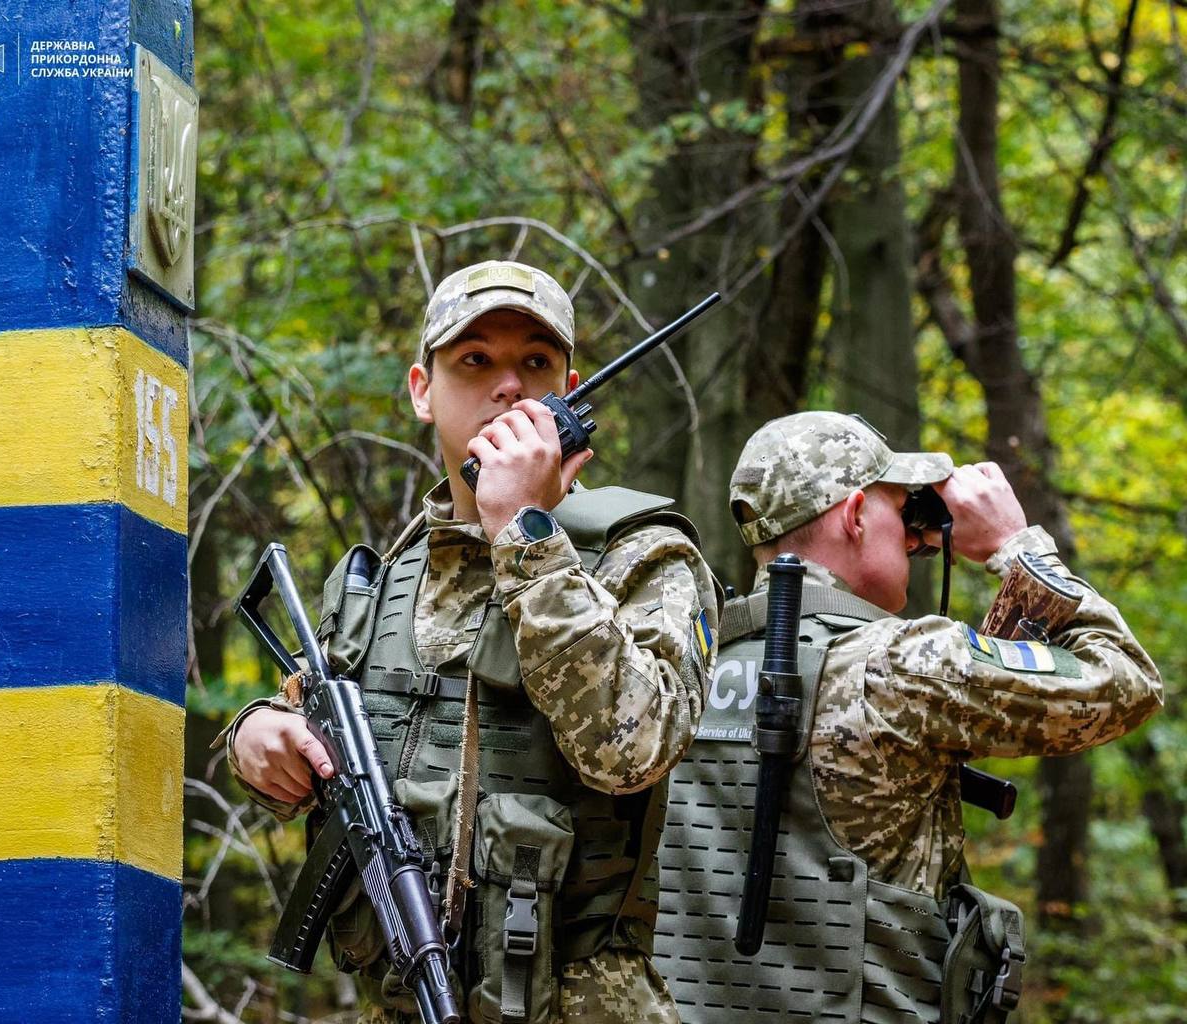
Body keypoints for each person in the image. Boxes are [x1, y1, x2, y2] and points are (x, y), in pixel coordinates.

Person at [217, 260, 720, 1023]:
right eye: (475, 360)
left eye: (536, 364)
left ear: (570, 389)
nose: (508, 386)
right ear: (424, 388)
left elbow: (635, 748)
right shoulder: (386, 580)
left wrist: (525, 533)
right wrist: (257, 734)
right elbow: (315, 727)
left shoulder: (643, 556)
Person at [653, 410, 1163, 1024]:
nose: (916, 540)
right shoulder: (901, 666)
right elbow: (1126, 680)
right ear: (856, 515)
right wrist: (1016, 547)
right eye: (902, 516)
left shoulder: (682, 660)